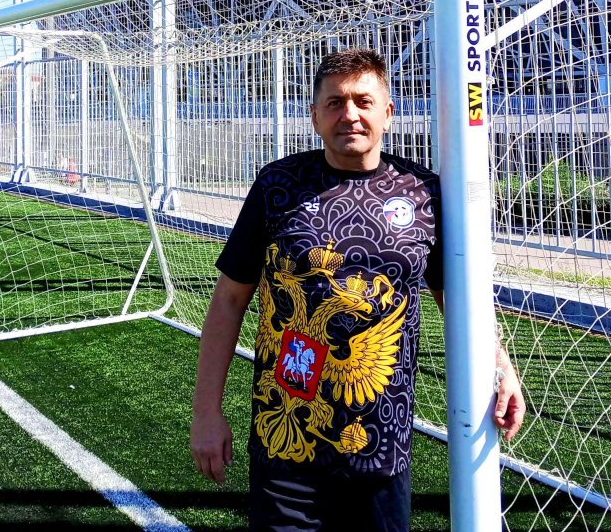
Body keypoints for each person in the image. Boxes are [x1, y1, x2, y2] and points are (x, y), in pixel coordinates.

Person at [190, 47, 525, 531]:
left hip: (380, 448)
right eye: (335, 103)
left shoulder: (424, 193)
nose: (349, 114)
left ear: (387, 112)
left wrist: (502, 369)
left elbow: (458, 300)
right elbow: (229, 299)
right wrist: (206, 412)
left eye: (363, 101)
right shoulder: (278, 185)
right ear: (315, 117)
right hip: (285, 441)